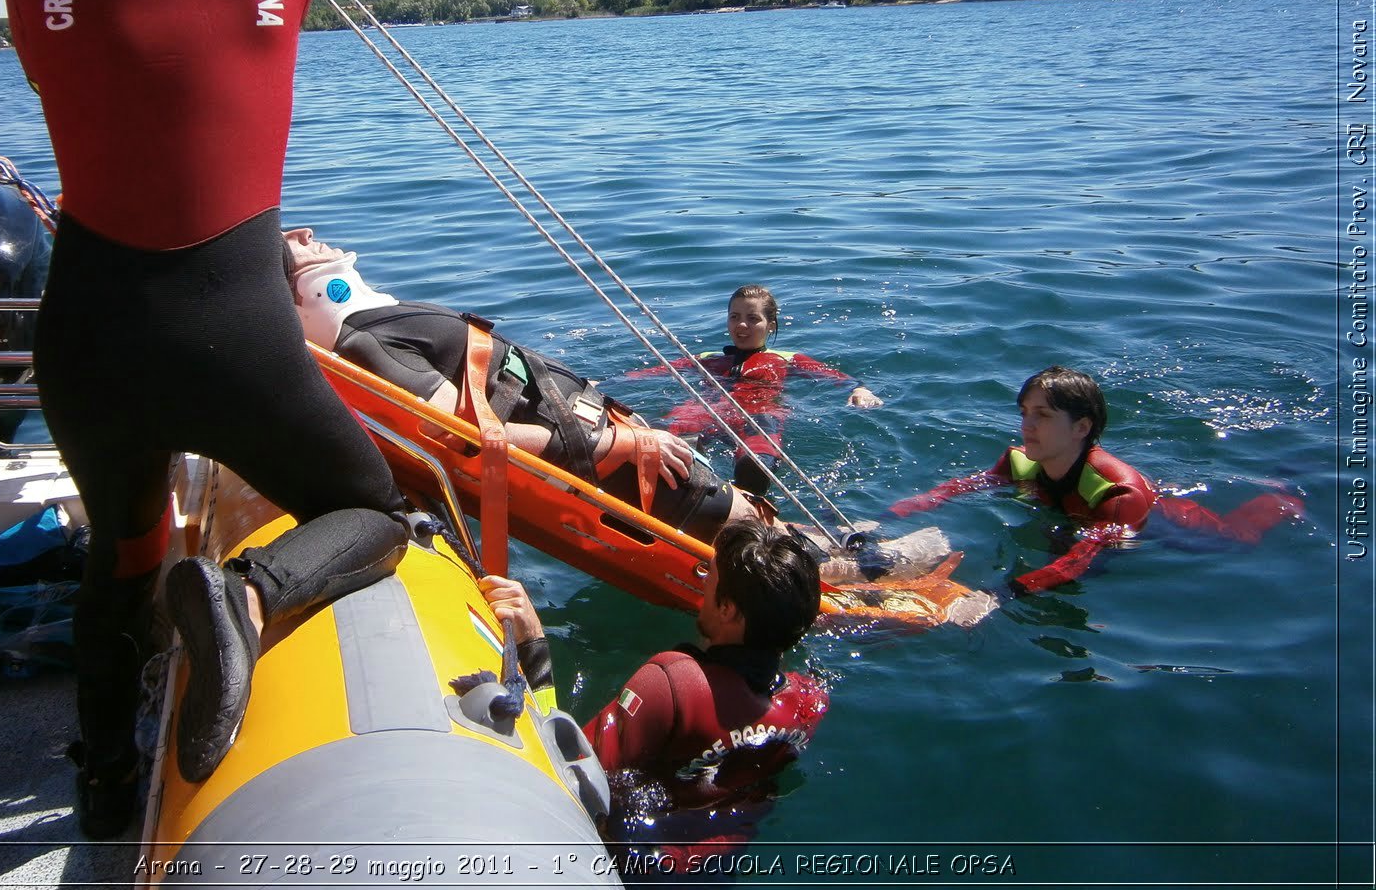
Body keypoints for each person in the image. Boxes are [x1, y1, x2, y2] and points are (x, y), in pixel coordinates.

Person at [0, 0, 407, 836]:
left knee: (120, 557)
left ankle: (98, 792)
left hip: (91, 331)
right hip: (237, 334)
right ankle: (248, 593)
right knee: (374, 512)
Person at [285, 230, 948, 585]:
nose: (309, 233)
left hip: (601, 428)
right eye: (292, 241)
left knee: (746, 509)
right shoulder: (366, 342)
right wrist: (621, 445)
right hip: (605, 456)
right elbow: (464, 437)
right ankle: (876, 580)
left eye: (756, 318)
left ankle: (850, 552)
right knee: (737, 520)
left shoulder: (372, 326)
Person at [480, 519, 828, 828]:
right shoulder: (809, 701)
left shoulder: (672, 682)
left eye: (710, 572)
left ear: (727, 608)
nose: (702, 583)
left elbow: (565, 778)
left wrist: (533, 646)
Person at [890, 365, 1304, 594]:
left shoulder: (1120, 495)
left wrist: (1010, 590)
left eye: (1043, 416)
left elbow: (1084, 560)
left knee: (1241, 538)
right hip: (1072, 516)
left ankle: (1290, 486)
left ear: (1081, 427)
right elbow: (963, 486)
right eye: (1024, 413)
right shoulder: (1017, 460)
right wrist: (903, 509)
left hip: (1170, 527)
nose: (1027, 426)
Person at [628, 284, 882, 496]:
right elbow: (652, 373)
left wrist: (860, 389)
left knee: (757, 454)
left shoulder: (788, 358)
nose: (741, 325)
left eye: (753, 319)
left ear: (771, 325)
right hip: (706, 410)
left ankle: (747, 491)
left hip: (757, 413)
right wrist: (605, 384)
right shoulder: (707, 357)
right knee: (659, 435)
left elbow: (834, 377)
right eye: (735, 317)